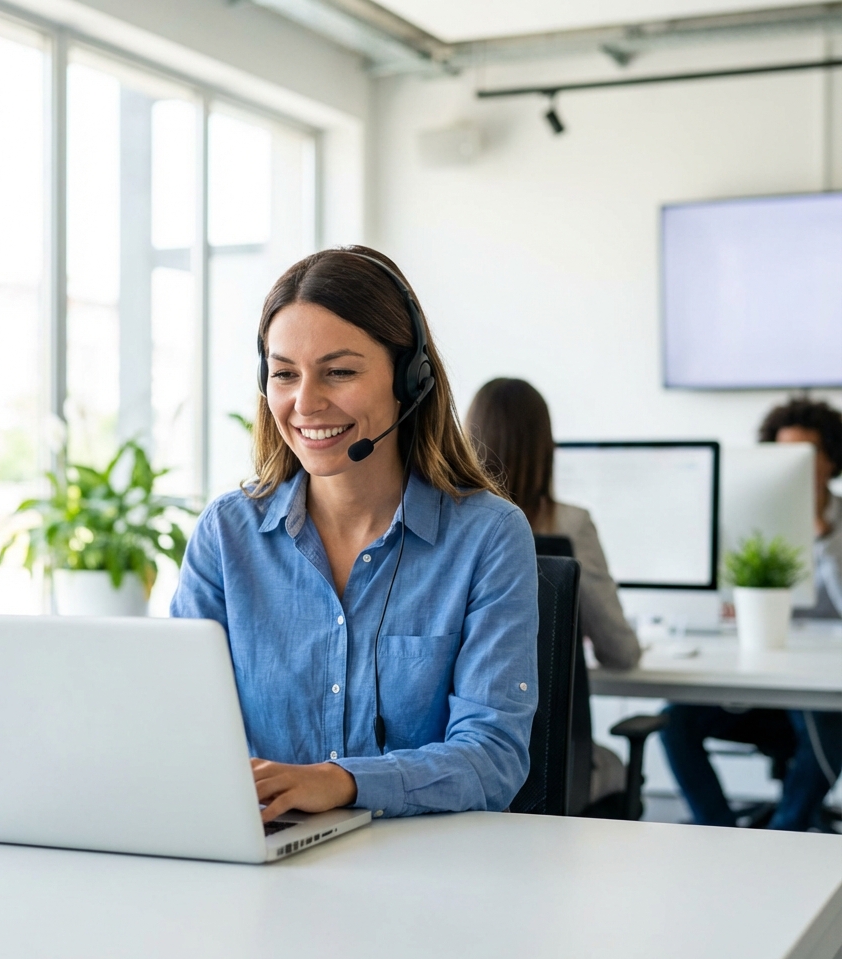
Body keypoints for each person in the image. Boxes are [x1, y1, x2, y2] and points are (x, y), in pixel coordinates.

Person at [170, 246, 539, 821]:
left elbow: (493, 758)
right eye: (284, 374)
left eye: (339, 372)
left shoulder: (487, 537)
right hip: (265, 851)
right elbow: (179, 728)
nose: (306, 403)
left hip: (429, 864)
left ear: (410, 379)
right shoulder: (226, 535)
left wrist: (343, 782)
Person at [661, 398, 842, 831]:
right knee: (674, 720)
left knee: (824, 726)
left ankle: (784, 835)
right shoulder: (751, 515)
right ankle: (719, 832)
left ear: (832, 458)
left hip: (816, 682)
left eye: (808, 452)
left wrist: (822, 535)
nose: (796, 464)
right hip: (756, 677)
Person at [464, 378, 640, 805]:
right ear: (547, 449)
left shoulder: (449, 528)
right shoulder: (571, 526)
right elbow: (620, 652)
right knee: (614, 764)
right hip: (549, 767)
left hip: (463, 767)